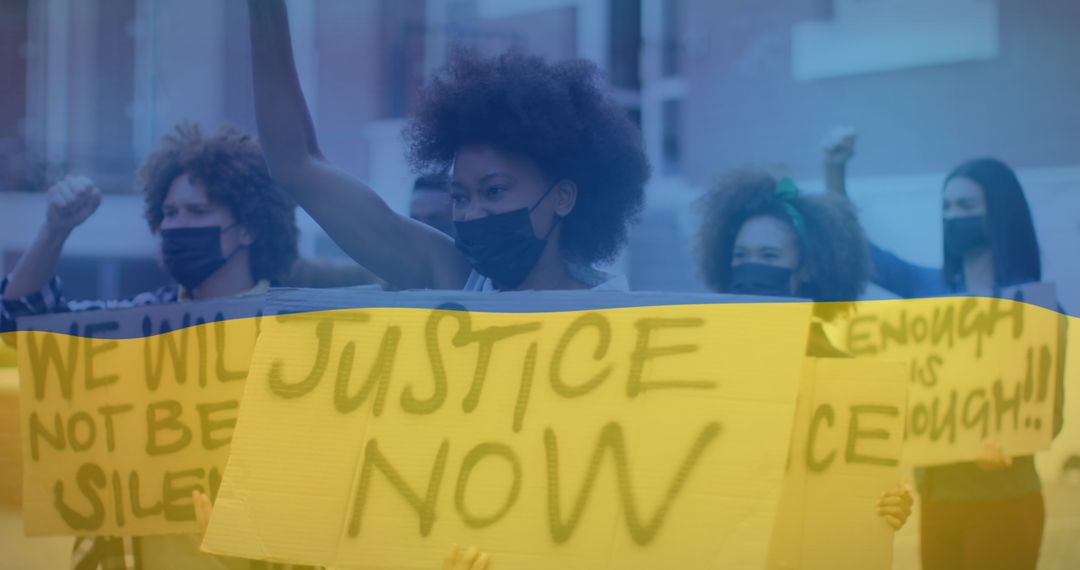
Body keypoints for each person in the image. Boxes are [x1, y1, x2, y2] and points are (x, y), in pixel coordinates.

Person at [1, 123, 301, 570]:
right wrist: (54, 229)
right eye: (169, 214)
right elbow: (20, 318)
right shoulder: (137, 325)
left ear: (250, 229)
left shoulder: (297, 332)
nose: (177, 226)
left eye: (196, 212)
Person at [246, 0, 649, 293]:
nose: (473, 213)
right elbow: (296, 165)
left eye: (494, 190)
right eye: (459, 196)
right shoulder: (457, 279)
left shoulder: (617, 315)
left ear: (563, 196)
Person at [823, 130, 1066, 570]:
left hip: (1006, 502)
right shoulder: (929, 290)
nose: (954, 217)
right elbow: (856, 249)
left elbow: (1049, 418)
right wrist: (835, 171)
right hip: (937, 500)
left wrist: (1014, 441)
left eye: (967, 207)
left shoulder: (1034, 306)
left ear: (1000, 215)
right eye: (947, 208)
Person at [695, 169, 914, 531]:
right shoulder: (702, 367)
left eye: (769, 255)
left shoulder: (848, 381)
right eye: (740, 255)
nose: (752, 267)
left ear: (807, 269)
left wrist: (890, 502)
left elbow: (865, 488)